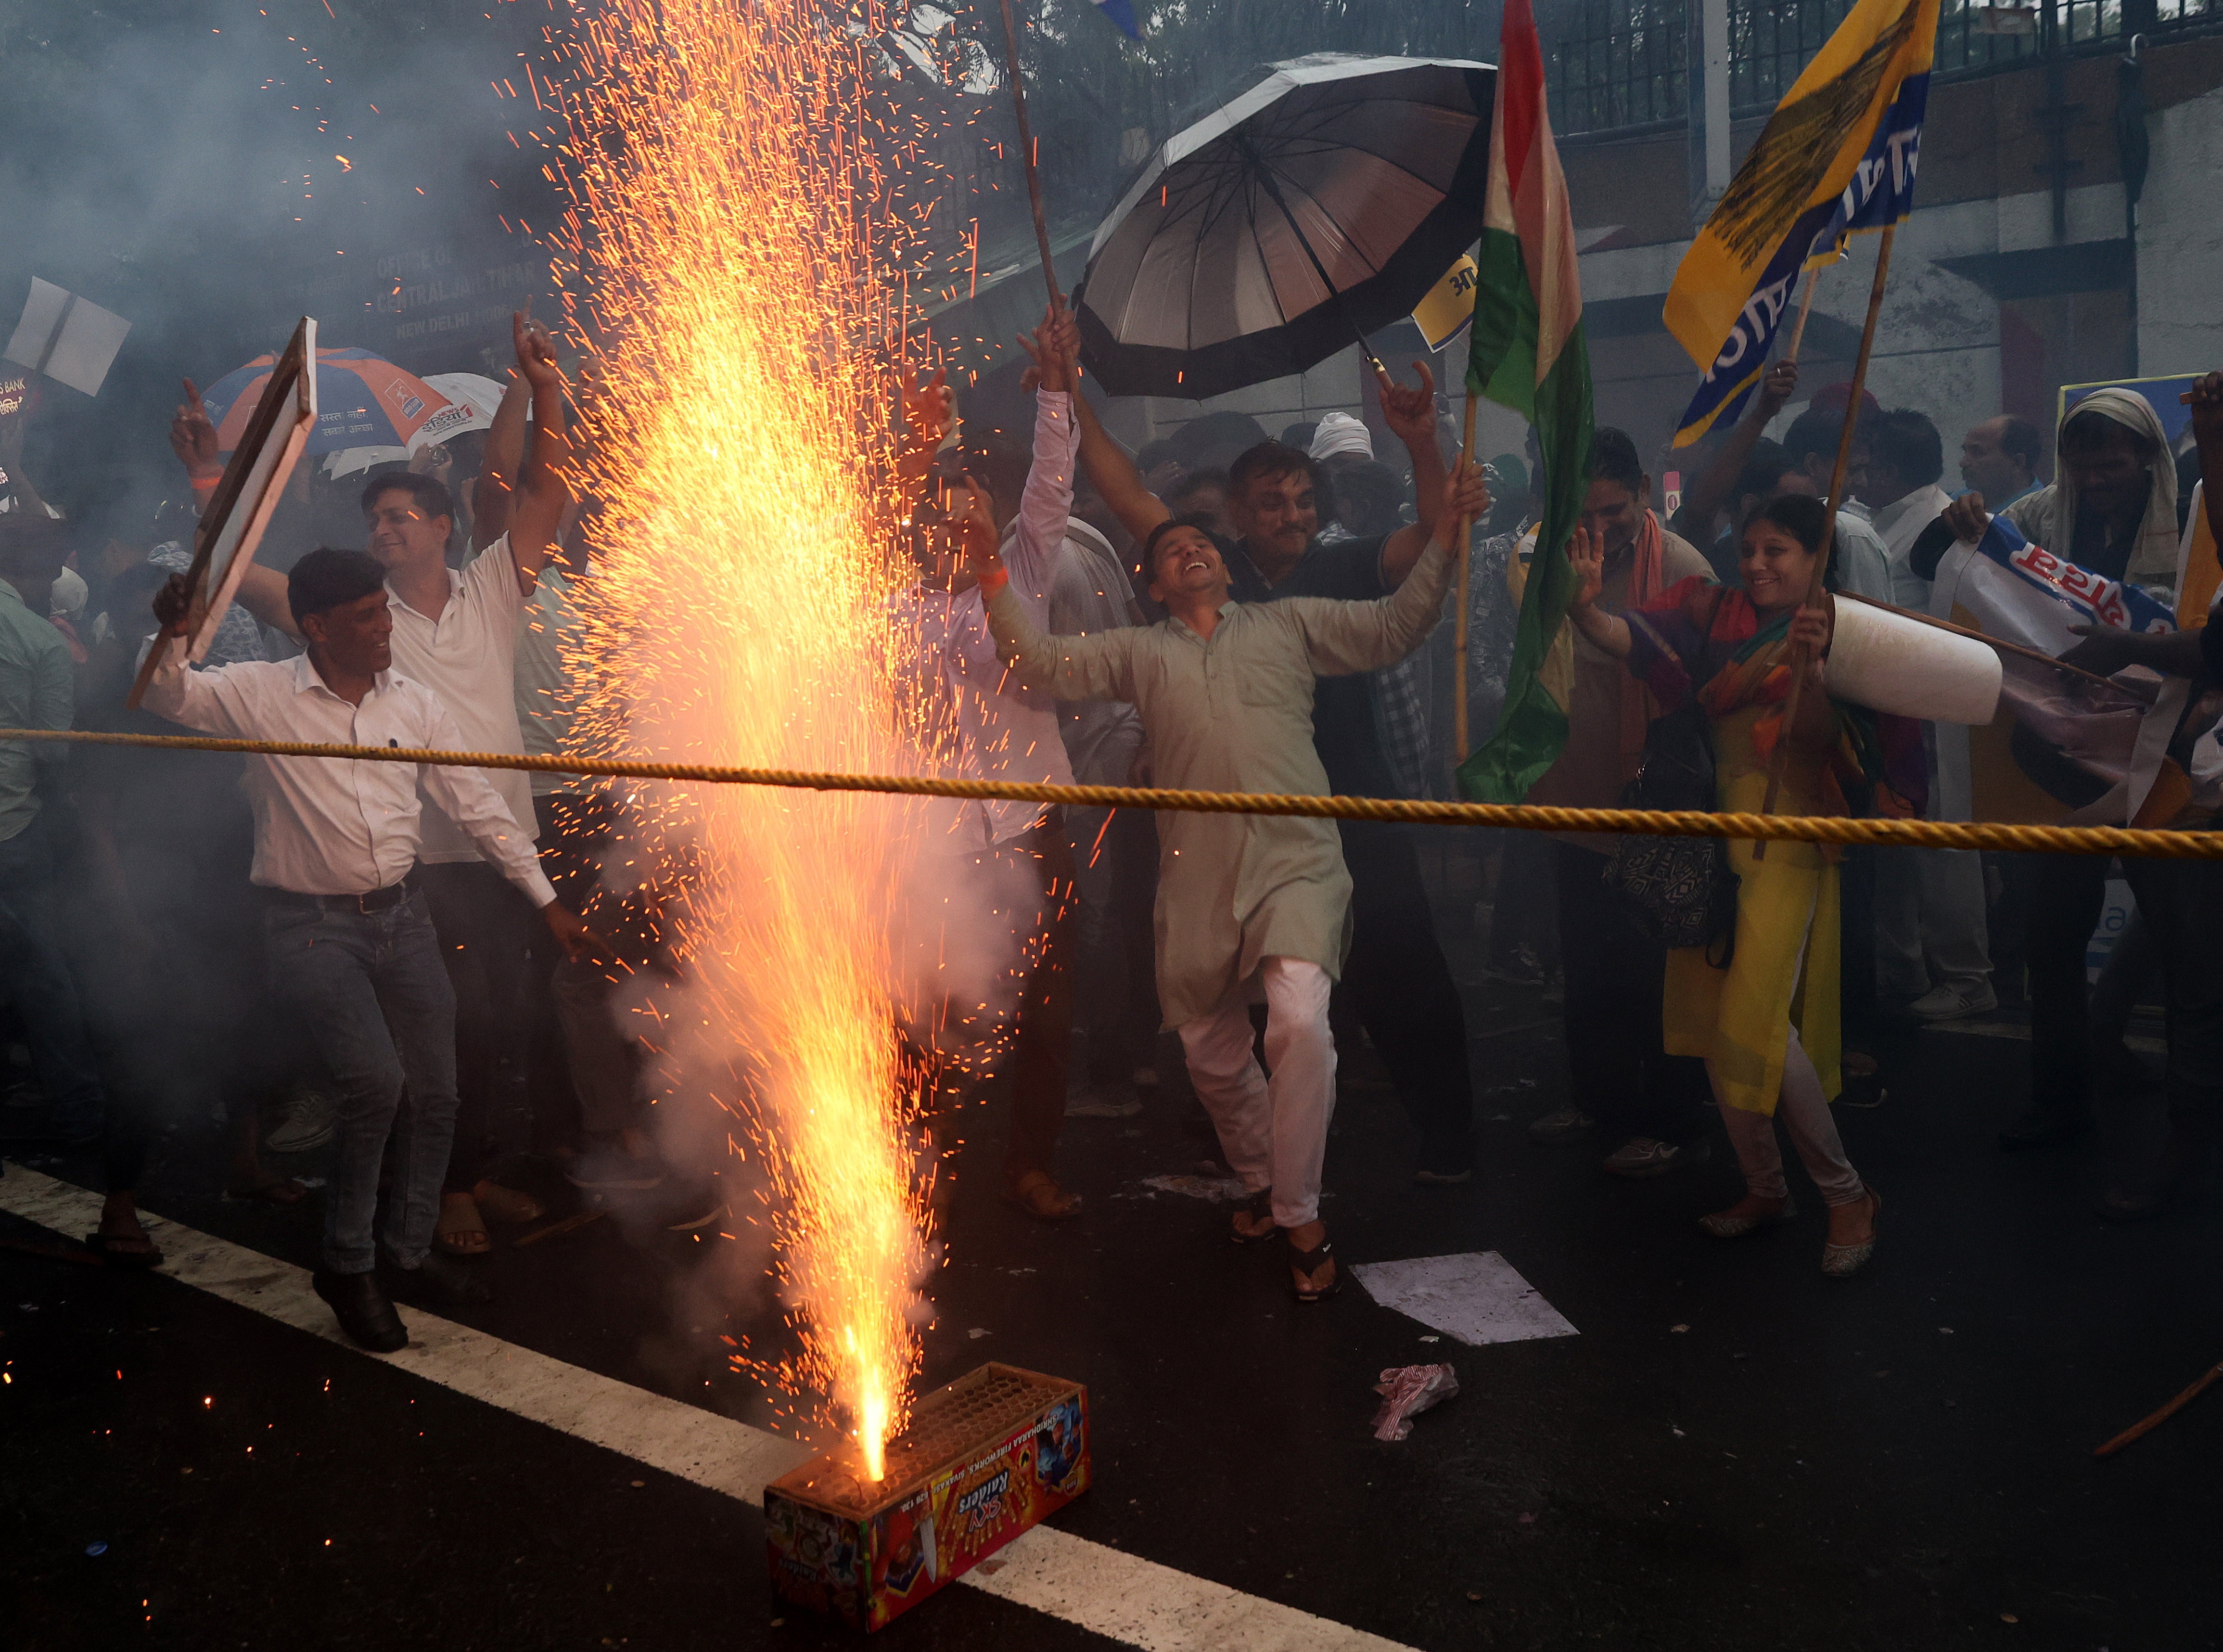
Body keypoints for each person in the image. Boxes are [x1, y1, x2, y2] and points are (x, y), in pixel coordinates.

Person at [967, 462, 1477, 1302]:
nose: (1189, 553)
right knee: (1210, 1055)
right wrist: (991, 567)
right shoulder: (1138, 652)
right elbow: (1039, 661)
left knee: (1302, 1026)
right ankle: (1267, 1184)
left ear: (1226, 567)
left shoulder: (1290, 624)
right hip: (1195, 876)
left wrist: (1448, 534)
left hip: (1297, 860)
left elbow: (1395, 625)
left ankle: (1299, 1212)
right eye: (1171, 552)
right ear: (1155, 587)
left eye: (1201, 543)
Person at [143, 548, 594, 1350]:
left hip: (406, 918)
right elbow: (164, 693)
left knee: (440, 1091)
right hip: (312, 925)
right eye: (366, 617)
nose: (386, 627)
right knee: (376, 1084)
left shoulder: (414, 704)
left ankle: (408, 1250)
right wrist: (173, 634)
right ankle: (347, 1263)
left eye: (383, 610)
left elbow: (478, 801)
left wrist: (548, 902)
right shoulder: (260, 694)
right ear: (316, 627)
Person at [200, 312, 575, 1255]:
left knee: (502, 1031)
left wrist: (542, 390)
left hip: (500, 847)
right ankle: (438, 1199)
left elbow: (543, 490)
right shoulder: (361, 622)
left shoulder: (494, 589)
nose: (384, 528)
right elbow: (244, 576)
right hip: (416, 870)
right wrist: (211, 479)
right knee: (436, 1042)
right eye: (374, 521)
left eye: (401, 516)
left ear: (445, 530)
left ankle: (469, 1177)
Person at [1072, 364, 1484, 1183]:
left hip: (1354, 798)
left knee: (1400, 961)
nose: (1292, 515)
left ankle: (1451, 1139)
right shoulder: (1209, 569)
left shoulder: (1345, 566)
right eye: (1272, 502)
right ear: (1236, 516)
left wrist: (1421, 440)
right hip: (1241, 815)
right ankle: (1255, 1154)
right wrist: (1073, 396)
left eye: (1302, 500)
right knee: (1234, 986)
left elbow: (1435, 535)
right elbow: (1127, 497)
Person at [1565, 495, 1918, 1275]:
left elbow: (1832, 742)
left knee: (1757, 1020)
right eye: (1750, 547)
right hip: (1708, 834)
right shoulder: (1711, 608)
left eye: (1779, 550)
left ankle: (1846, 1193)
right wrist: (1587, 610)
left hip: (1790, 834)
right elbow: (1635, 643)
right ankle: (1765, 1188)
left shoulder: (1847, 629)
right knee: (1711, 1016)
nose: (1757, 564)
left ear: (1817, 556)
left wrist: (1818, 667)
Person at [1954, 372, 2223, 1175]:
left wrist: (2143, 659)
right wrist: (1961, 521)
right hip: (2062, 755)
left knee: (2181, 942)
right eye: (2085, 468)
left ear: (2150, 458)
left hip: (2167, 760)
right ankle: (2061, 1097)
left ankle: (2186, 1127)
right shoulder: (2039, 516)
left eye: (2115, 466)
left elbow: (2211, 644)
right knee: (2051, 930)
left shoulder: (2195, 523)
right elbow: (1971, 554)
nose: (2098, 482)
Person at [895, 308, 1088, 1221]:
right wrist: (914, 437)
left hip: (1032, 825)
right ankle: (914, 1169)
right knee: (926, 1009)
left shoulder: (1023, 569)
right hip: (930, 845)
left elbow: (1052, 483)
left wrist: (1056, 389)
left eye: (966, 498)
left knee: (1046, 1011)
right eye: (938, 509)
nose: (953, 516)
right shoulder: (889, 608)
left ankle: (1031, 1161)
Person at [1518, 429, 1718, 1176]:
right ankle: (1598, 1101)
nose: (1599, 529)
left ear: (1641, 488)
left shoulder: (1686, 567)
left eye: (1613, 510)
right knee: (1589, 964)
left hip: (1657, 796)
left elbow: (1696, 686)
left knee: (1659, 970)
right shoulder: (1549, 556)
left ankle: (1670, 1119)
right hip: (1575, 794)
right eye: (1585, 513)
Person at [1859, 409, 1994, 1022]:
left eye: (1864, 466)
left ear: (1886, 470)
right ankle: (1903, 967)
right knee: (1897, 841)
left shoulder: (1941, 525)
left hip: (1936, 707)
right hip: (1895, 708)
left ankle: (1967, 978)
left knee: (1943, 843)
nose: (1858, 479)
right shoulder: (1883, 521)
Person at [0, 515, 107, 1154]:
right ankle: (79, 1112)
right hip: (12, 831)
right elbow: (56, 753)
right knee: (43, 975)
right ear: (37, 575)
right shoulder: (40, 641)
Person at [1959, 414, 2044, 510]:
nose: (1963, 463)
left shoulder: (2041, 515)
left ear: (2017, 463)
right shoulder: (1960, 500)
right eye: (1966, 451)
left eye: (1978, 453)